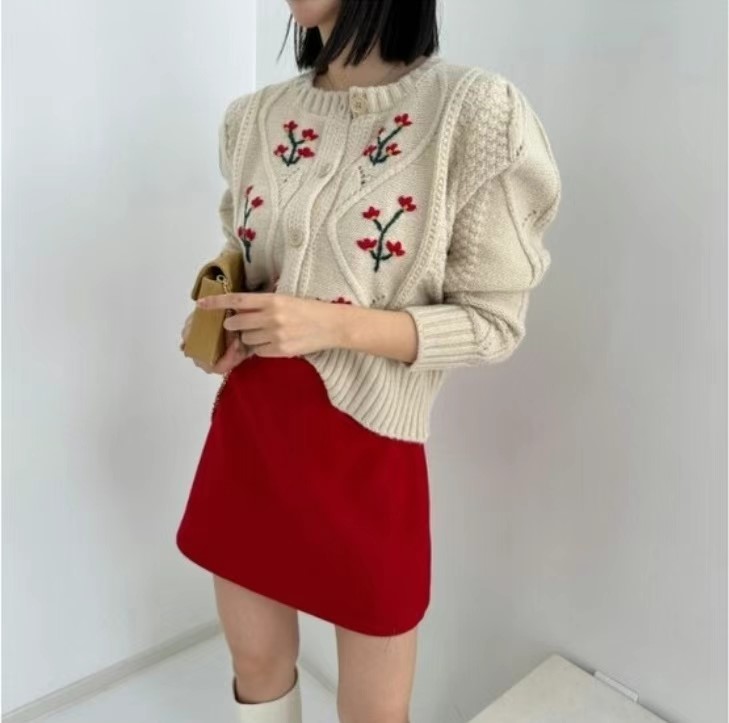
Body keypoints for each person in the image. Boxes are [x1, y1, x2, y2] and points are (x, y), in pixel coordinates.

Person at [176, 1, 562, 721]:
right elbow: (244, 250)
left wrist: (330, 325)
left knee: (374, 712)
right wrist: (221, 322)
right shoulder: (253, 118)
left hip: (368, 451)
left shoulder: (473, 113)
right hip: (249, 438)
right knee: (256, 667)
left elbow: (492, 324)